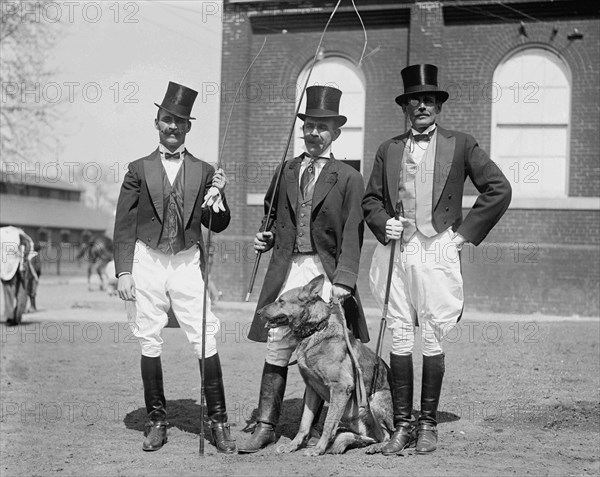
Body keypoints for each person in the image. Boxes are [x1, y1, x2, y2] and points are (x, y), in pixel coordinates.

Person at [363, 64, 512, 455]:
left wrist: (461, 237)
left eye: (429, 99)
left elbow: (498, 188)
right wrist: (384, 224)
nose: (422, 106)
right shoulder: (389, 148)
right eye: (415, 100)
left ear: (438, 106)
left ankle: (428, 424)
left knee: (430, 331)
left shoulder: (460, 144)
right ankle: (402, 425)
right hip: (397, 248)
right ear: (406, 107)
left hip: (438, 247)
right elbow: (371, 200)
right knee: (399, 330)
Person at [238, 85, 370, 453]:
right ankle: (266, 425)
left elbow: (352, 234)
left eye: (322, 127)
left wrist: (344, 280)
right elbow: (272, 214)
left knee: (328, 349)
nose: (314, 133)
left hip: (325, 275)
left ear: (336, 132)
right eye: (309, 125)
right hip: (288, 270)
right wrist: (265, 239)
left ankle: (330, 426)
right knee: (278, 346)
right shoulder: (286, 170)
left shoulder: (348, 177)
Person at [113, 82, 235, 453]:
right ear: (157, 122)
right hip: (147, 258)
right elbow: (124, 224)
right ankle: (156, 420)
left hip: (187, 260)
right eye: (167, 119)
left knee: (204, 334)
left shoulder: (204, 170)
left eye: (180, 121)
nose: (173, 127)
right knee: (149, 336)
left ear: (188, 127)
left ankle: (217, 422)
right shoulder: (138, 168)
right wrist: (124, 271)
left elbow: (217, 225)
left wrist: (218, 199)